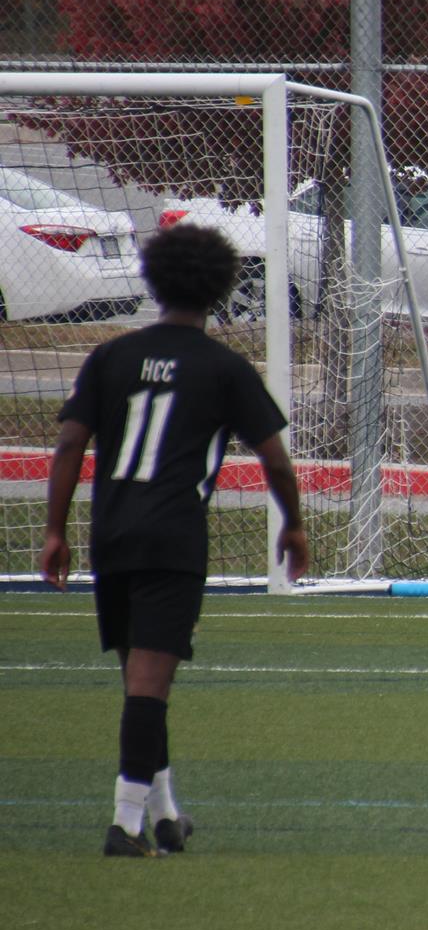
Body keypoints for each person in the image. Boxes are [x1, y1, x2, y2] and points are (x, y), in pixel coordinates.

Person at [40, 222, 308, 857]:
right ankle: (125, 824)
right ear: (219, 290)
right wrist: (293, 524)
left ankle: (164, 814)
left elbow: (70, 445)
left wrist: (55, 530)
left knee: (140, 679)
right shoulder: (224, 368)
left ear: (154, 280)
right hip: (172, 537)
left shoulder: (111, 357)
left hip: (112, 531)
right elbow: (274, 460)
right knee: (148, 686)